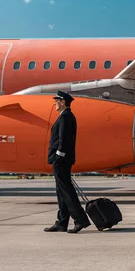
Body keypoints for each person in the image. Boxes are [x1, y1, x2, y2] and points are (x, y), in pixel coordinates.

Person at [44, 90, 91, 233]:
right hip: (61, 159)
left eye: (56, 100)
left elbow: (63, 139)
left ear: (62, 101)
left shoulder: (65, 117)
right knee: (61, 191)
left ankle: (80, 220)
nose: (55, 103)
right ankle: (62, 222)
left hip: (61, 159)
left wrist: (59, 155)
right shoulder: (65, 116)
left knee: (66, 191)